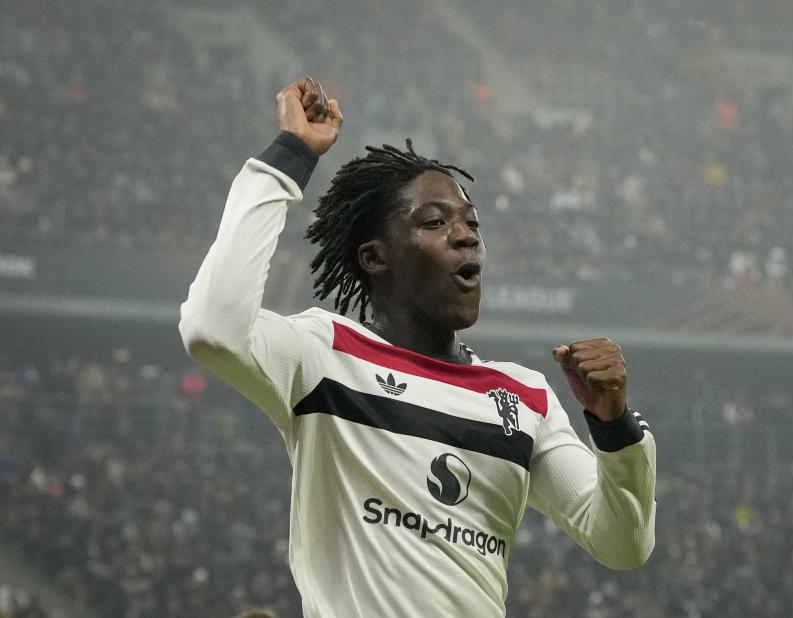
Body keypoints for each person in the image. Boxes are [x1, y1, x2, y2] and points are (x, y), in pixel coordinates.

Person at [179, 76, 655, 617]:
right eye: (435, 222)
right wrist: (289, 155)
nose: (467, 235)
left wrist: (614, 425)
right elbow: (212, 327)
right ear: (375, 257)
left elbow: (621, 544)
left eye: (472, 224)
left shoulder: (525, 398)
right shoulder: (324, 357)